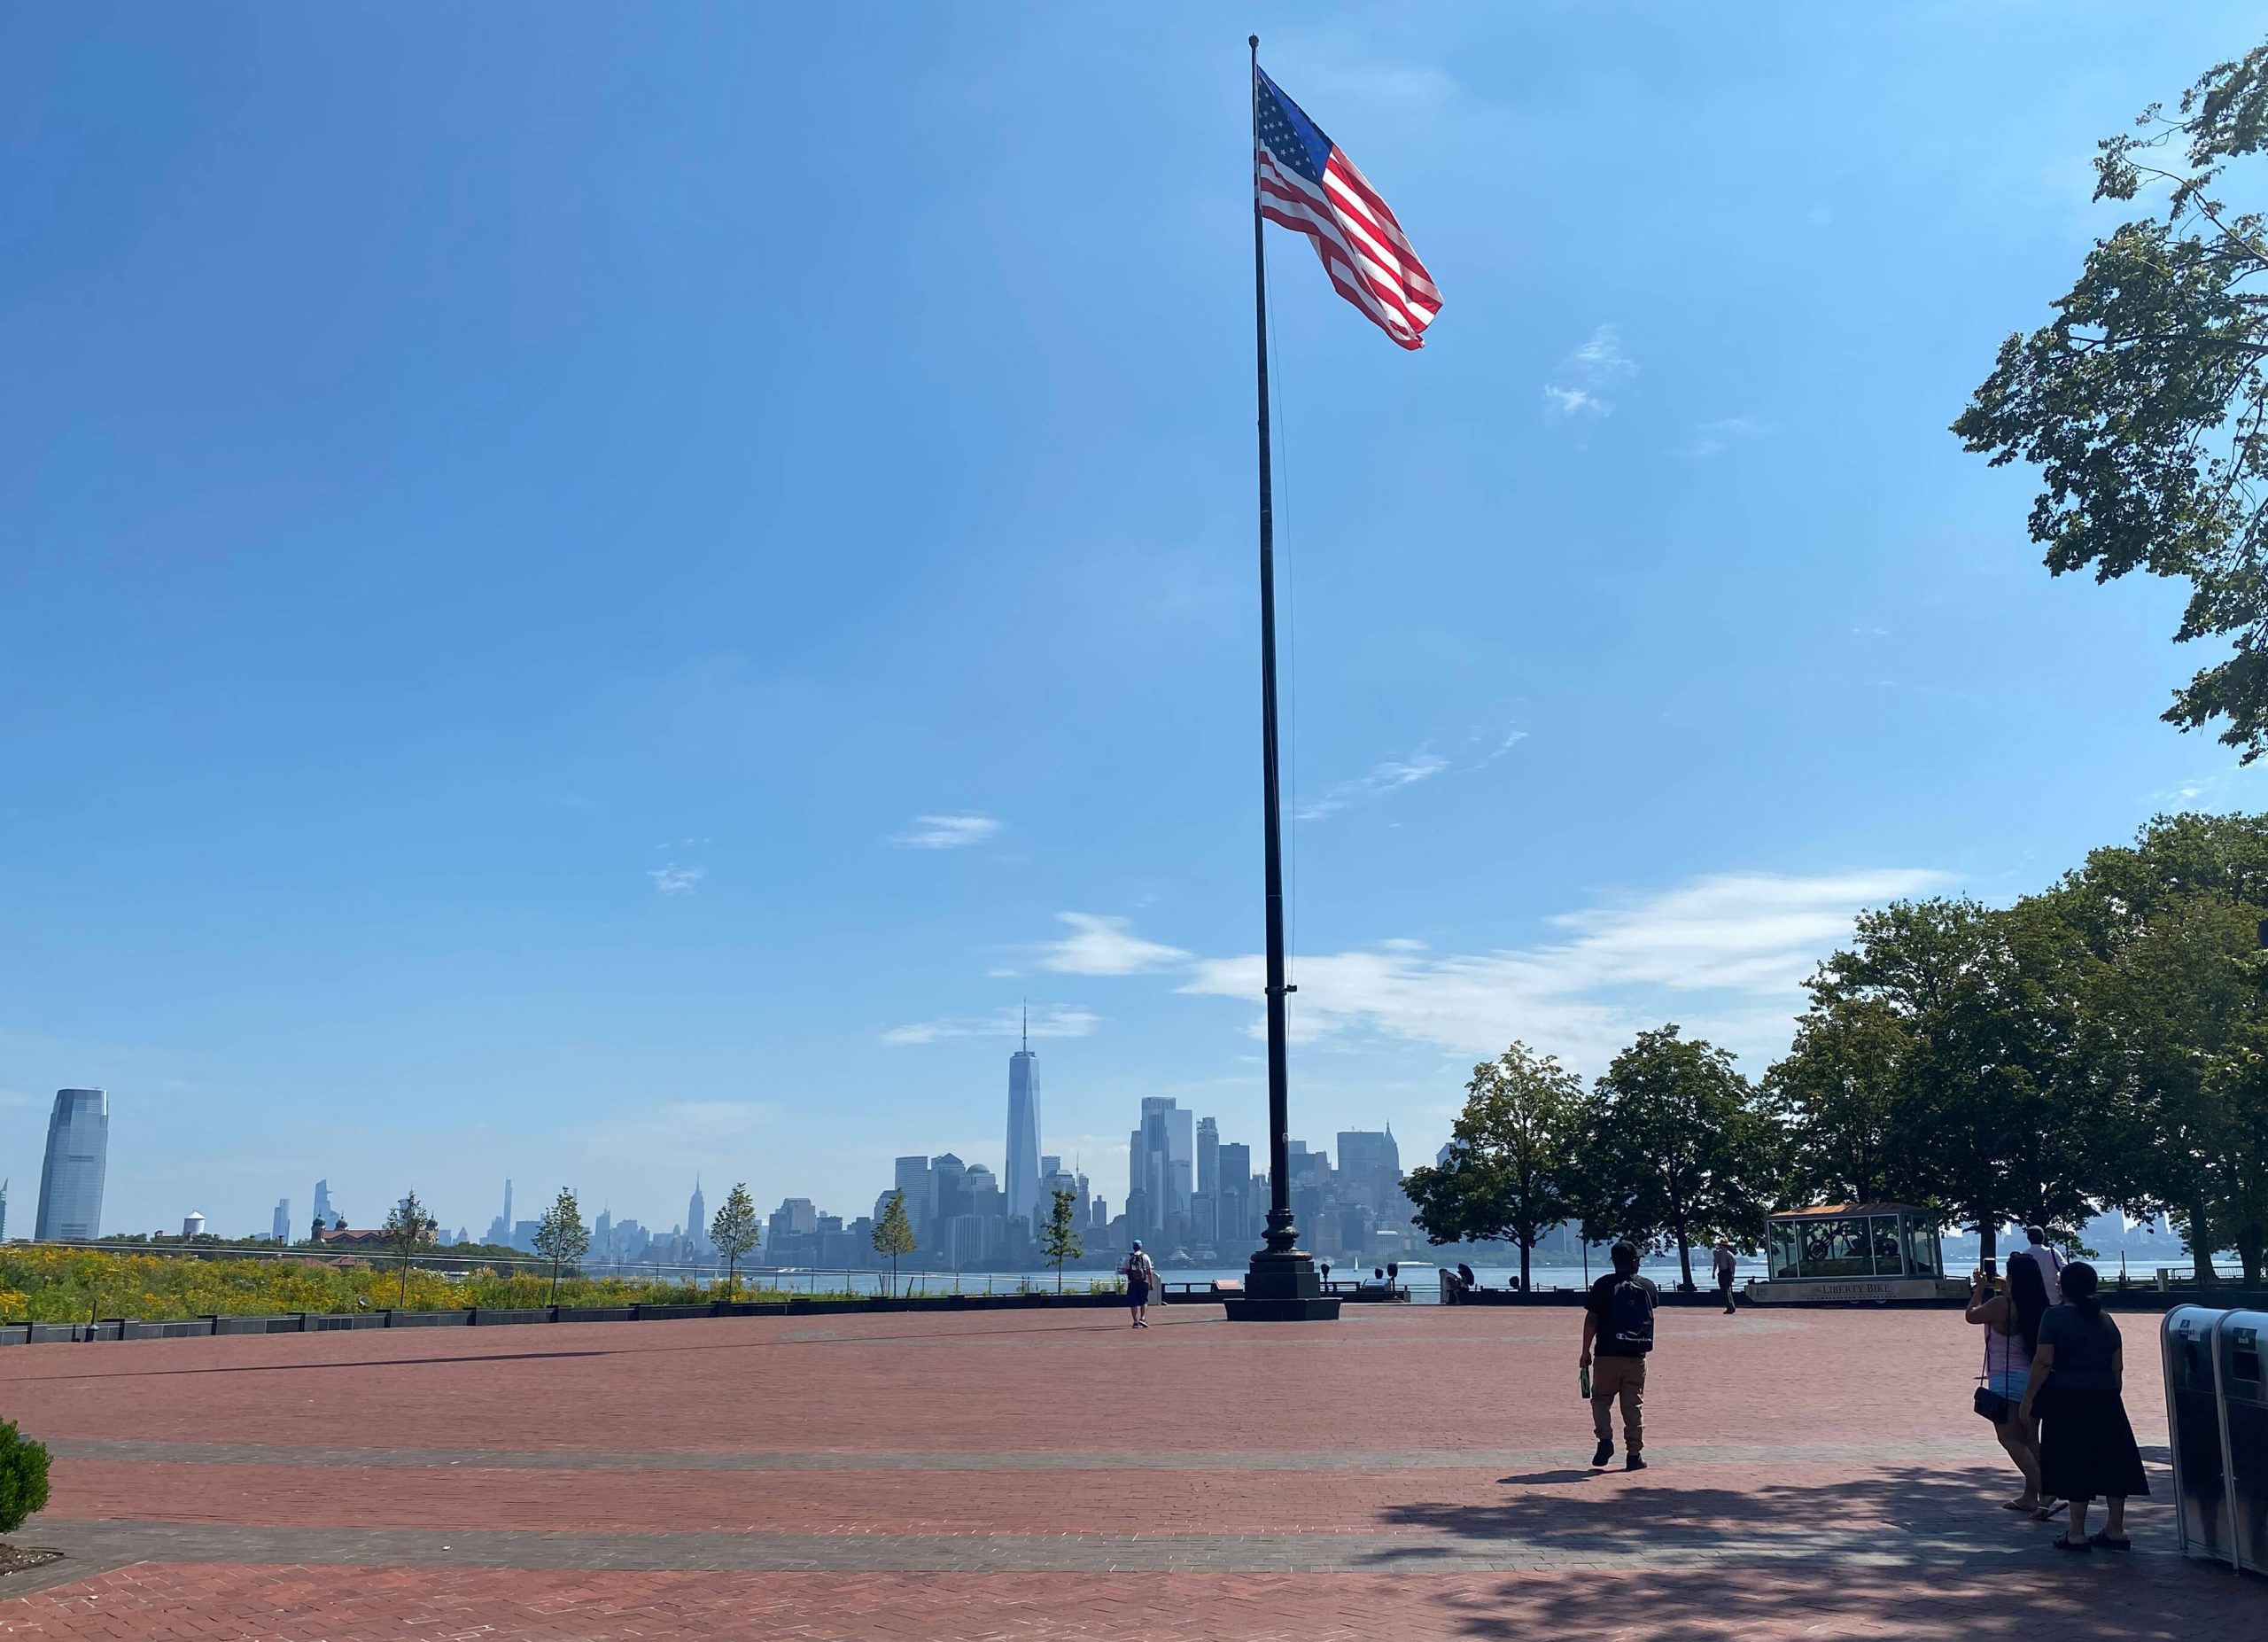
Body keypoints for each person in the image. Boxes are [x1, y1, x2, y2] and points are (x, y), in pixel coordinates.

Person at [2021, 1262, 2148, 1552]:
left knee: (2074, 1461)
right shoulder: (2105, 1319)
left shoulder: (2053, 1317)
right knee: (2115, 1462)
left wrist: (2029, 1399)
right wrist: (2112, 1392)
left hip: (2067, 1398)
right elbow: (2118, 1367)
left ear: (2061, 1286)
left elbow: (2043, 1361)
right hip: (2106, 1398)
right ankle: (2115, 1528)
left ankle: (2076, 1532)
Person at [1966, 1260, 2044, 1514]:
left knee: (2010, 1438)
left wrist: (1980, 1287)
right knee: (2030, 1438)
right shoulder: (2039, 1306)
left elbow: (1972, 1315)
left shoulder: (2001, 1305)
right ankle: (2030, 1496)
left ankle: (2048, 1489)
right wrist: (2004, 1286)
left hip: (2006, 1381)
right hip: (2034, 1380)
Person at [1579, 1241, 1658, 1471]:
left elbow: (1591, 1319)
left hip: (1606, 1354)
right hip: (1636, 1355)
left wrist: (1585, 1351)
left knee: (1601, 1400)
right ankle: (1634, 1455)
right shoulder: (1648, 1286)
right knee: (1633, 1405)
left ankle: (1605, 1440)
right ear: (1634, 1261)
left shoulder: (1602, 1285)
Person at [2014, 1226, 2065, 1306]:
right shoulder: (2053, 1252)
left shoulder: (2024, 1255)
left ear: (2029, 1238)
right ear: (2043, 1237)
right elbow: (2066, 1270)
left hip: (2031, 1299)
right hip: (2054, 1298)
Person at [1120, 1240, 1160, 1329]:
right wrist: (1151, 1283)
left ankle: (1135, 1322)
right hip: (1143, 1282)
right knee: (1144, 1301)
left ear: (1133, 1247)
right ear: (1141, 1247)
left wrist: (1129, 1273)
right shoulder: (1145, 1257)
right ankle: (1142, 1317)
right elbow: (1149, 1271)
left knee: (1133, 1302)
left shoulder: (1128, 1257)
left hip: (1132, 1283)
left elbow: (1123, 1270)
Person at [1711, 1241, 1738, 1314]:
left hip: (1723, 1273)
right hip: (1729, 1274)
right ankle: (1732, 1306)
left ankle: (1729, 1307)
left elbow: (1716, 1263)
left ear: (1721, 1245)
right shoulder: (1730, 1254)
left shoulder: (1719, 1253)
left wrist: (1713, 1273)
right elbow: (1733, 1266)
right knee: (1729, 1290)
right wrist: (1733, 1275)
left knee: (1725, 1291)